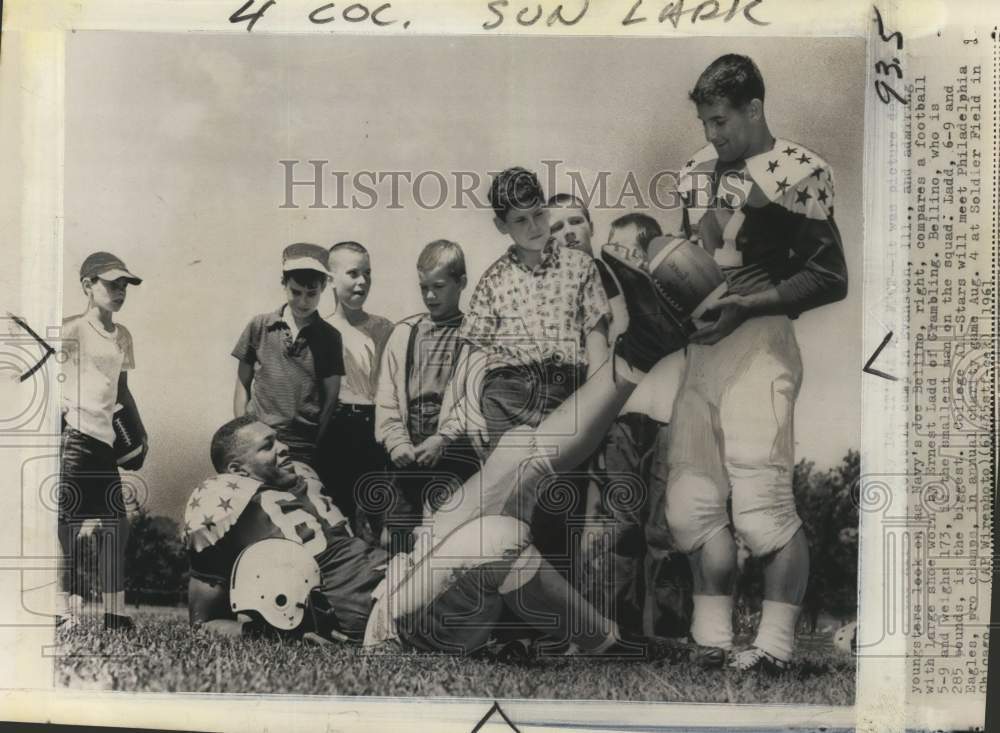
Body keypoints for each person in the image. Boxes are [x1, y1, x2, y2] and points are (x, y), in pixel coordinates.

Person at [185, 245, 690, 658]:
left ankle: (640, 352)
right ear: (235, 470)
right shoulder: (225, 499)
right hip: (385, 625)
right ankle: (610, 645)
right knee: (500, 536)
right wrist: (277, 633)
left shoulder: (300, 479)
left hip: (404, 574)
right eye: (267, 447)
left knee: (515, 450)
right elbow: (204, 619)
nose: (282, 450)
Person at [666, 54, 848, 673]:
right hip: (703, 348)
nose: (711, 136)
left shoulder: (800, 169)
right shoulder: (695, 170)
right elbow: (692, 260)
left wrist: (745, 306)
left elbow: (830, 277)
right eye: (705, 123)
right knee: (691, 503)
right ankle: (712, 640)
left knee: (763, 509)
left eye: (720, 121)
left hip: (760, 341)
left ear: (753, 108)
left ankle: (773, 648)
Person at [549, 208, 693, 639]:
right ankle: (618, 632)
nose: (620, 259)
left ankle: (669, 634)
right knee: (619, 528)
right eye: (614, 252)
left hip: (671, 415)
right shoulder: (592, 284)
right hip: (621, 419)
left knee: (667, 529)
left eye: (627, 250)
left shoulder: (672, 290)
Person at [460, 169, 610, 566]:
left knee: (559, 504)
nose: (534, 226)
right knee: (508, 506)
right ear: (500, 226)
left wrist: (598, 405)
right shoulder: (493, 278)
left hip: (565, 392)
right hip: (505, 395)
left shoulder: (581, 267)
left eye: (538, 214)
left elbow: (596, 341)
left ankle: (557, 623)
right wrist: (468, 409)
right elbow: (474, 352)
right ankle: (510, 626)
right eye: (520, 221)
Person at [58, 252, 147, 631]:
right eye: (111, 283)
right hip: (75, 436)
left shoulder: (123, 335)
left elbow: (122, 391)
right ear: (87, 286)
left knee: (116, 526)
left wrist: (140, 434)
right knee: (65, 524)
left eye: (124, 285)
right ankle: (60, 611)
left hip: (105, 443)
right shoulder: (70, 329)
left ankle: (115, 615)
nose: (119, 291)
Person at [374, 240, 480, 553]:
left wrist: (445, 438)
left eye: (439, 286)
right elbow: (387, 394)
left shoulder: (475, 335)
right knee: (399, 538)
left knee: (447, 539)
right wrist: (396, 441)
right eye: (424, 287)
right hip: (407, 455)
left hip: (453, 455)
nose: (430, 296)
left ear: (461, 283)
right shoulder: (404, 332)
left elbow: (473, 398)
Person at [232, 243, 344, 466]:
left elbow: (330, 399)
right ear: (284, 283)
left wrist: (316, 445)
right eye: (296, 292)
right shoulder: (259, 325)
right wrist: (245, 433)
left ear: (323, 287)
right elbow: (242, 384)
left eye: (312, 294)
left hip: (303, 447)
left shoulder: (330, 337)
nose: (303, 301)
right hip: (258, 442)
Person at [317, 241, 394, 538]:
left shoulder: (384, 328)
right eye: (352, 274)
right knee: (339, 516)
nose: (362, 281)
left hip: (375, 429)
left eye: (368, 273)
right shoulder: (319, 330)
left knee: (380, 519)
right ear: (330, 279)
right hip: (335, 431)